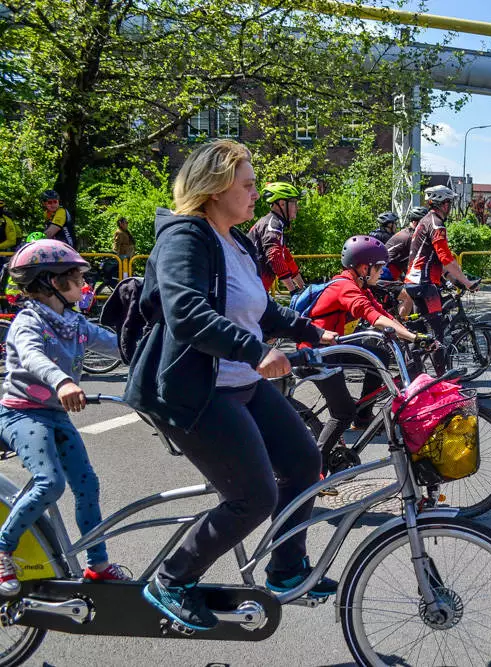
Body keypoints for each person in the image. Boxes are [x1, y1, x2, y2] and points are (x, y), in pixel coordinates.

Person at [124, 140, 339, 631]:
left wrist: (316, 330)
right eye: (247, 184)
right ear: (216, 188)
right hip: (193, 390)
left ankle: (286, 571)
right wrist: (257, 351)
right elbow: (186, 314)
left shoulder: (237, 242)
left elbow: (261, 309)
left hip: (239, 381)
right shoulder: (186, 238)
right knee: (252, 496)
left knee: (305, 460)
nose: (256, 193)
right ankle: (172, 579)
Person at [0, 240, 129, 596]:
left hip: (55, 416)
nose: (83, 285)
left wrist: (158, 355)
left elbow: (115, 344)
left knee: (87, 484)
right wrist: (63, 380)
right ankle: (2, 548)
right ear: (51, 282)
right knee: (50, 483)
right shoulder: (28, 322)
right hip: (21, 414)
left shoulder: (72, 322)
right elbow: (31, 357)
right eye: (75, 277)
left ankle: (98, 565)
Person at [303, 235, 434, 462]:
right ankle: (316, 469)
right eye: (379, 267)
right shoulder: (345, 287)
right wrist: (413, 338)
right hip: (316, 353)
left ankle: (363, 415)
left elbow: (383, 314)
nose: (381, 272)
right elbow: (373, 318)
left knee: (378, 353)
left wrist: (409, 335)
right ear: (364, 267)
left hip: (333, 345)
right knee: (343, 413)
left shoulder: (358, 284)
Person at [403, 185, 478, 374]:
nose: (450, 207)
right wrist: (467, 283)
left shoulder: (426, 221)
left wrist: (455, 280)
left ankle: (414, 375)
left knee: (420, 336)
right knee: (439, 337)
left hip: (414, 282)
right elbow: (446, 258)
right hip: (425, 284)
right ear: (443, 204)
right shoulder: (436, 224)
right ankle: (442, 381)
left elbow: (438, 261)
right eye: (449, 203)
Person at [246, 181, 305, 293]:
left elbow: (286, 258)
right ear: (282, 203)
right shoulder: (272, 225)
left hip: (255, 290)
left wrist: (303, 287)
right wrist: (293, 291)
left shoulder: (275, 224)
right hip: (250, 291)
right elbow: (275, 256)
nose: (297, 207)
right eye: (294, 203)